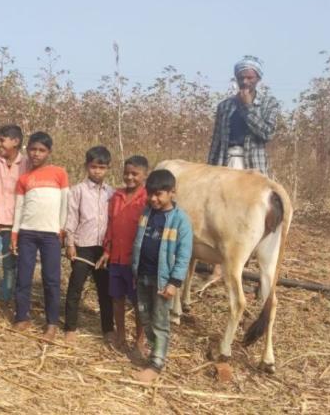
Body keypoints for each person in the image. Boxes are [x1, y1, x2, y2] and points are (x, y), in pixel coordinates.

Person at [206, 56, 278, 284]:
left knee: (252, 217)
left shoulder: (268, 104)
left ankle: (251, 266)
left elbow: (266, 134)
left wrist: (247, 108)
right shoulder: (225, 106)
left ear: (258, 78)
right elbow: (217, 140)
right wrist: (209, 170)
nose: (245, 81)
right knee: (221, 214)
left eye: (250, 77)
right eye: (242, 77)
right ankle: (219, 265)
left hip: (252, 168)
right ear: (236, 78)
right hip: (225, 163)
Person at [131, 169, 193, 383]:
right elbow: (139, 243)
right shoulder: (147, 213)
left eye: (159, 194)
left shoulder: (180, 220)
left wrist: (174, 283)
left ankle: (157, 362)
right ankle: (154, 352)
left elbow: (184, 255)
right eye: (150, 194)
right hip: (142, 276)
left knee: (160, 321)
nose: (153, 199)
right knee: (145, 316)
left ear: (172, 193)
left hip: (162, 281)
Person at [11, 132, 69, 342]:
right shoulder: (24, 179)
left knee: (51, 280)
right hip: (27, 233)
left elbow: (65, 204)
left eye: (41, 150)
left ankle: (51, 323)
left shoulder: (59, 173)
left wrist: (61, 230)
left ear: (49, 152)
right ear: (27, 150)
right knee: (23, 277)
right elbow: (19, 208)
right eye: (33, 149)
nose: (36, 154)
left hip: (50, 235)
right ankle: (21, 317)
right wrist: (15, 234)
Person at [96, 155, 149, 355]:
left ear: (145, 175)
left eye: (135, 174)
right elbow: (111, 225)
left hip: (135, 261)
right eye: (126, 173)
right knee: (117, 299)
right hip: (116, 259)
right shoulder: (117, 196)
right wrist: (107, 250)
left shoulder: (147, 200)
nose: (129, 177)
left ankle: (140, 341)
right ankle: (120, 335)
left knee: (138, 303)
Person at [63, 146, 114, 344]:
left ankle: (108, 329)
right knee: (75, 287)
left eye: (102, 168)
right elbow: (72, 217)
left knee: (105, 290)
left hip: (103, 249)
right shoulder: (78, 191)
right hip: (83, 246)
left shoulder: (112, 193)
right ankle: (70, 327)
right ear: (86, 166)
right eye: (94, 167)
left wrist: (111, 248)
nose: (97, 171)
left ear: (108, 168)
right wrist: (70, 243)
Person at [0, 124, 27, 322]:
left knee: (10, 266)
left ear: (15, 142)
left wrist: (19, 225)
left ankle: (6, 303)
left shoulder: (25, 163)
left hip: (15, 223)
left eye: (2, 140)